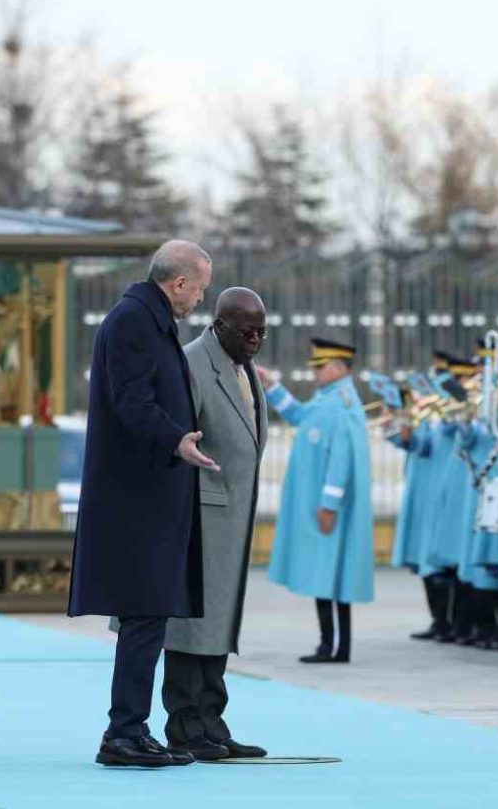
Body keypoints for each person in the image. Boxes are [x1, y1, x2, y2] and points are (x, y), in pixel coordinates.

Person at [68, 240, 217, 769]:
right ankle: (123, 733)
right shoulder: (133, 321)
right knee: (144, 615)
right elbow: (132, 400)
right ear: (179, 283)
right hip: (136, 501)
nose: (200, 298)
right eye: (200, 288)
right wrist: (176, 439)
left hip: (150, 496)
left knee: (148, 616)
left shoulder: (149, 320)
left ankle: (132, 728)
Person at [161, 288, 269, 761]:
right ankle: (185, 726)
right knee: (191, 627)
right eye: (247, 332)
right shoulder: (191, 364)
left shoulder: (242, 366)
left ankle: (211, 722)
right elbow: (176, 440)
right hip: (200, 515)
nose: (256, 340)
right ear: (220, 325)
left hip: (231, 517)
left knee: (218, 624)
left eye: (262, 332)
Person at [260, 338, 375, 664]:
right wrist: (272, 387)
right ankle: (332, 645)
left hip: (330, 508)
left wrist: (329, 505)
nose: (315, 373)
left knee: (332, 575)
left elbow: (341, 459)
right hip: (324, 505)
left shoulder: (340, 405)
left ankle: (334, 647)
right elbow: (300, 415)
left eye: (321, 367)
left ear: (339, 367)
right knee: (328, 575)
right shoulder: (328, 399)